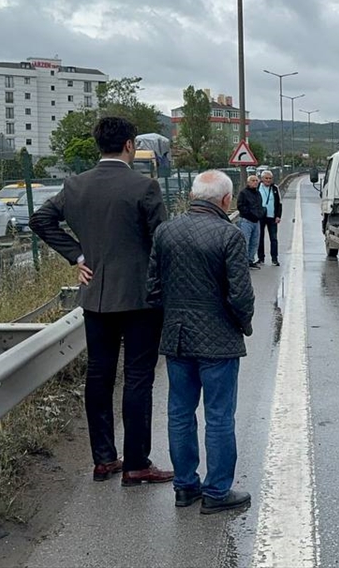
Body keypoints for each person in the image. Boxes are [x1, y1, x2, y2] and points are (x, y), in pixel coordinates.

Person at [29, 116, 174, 487]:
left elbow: (41, 219)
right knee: (138, 378)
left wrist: (78, 257)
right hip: (141, 298)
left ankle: (104, 459)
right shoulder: (145, 187)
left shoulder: (75, 185)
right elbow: (162, 242)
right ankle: (137, 463)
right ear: (130, 145)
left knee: (99, 375)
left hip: (94, 296)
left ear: (99, 145)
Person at [146, 170, 255, 515]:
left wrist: (173, 316)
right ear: (225, 200)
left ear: (193, 196)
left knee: (180, 414)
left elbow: (153, 289)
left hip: (177, 337)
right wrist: (243, 324)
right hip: (219, 339)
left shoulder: (165, 231)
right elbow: (240, 295)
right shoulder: (229, 235)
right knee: (219, 416)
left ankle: (184, 487)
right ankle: (217, 492)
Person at [256, 170, 284, 266]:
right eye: (266, 178)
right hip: (260, 216)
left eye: (270, 178)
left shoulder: (275, 188)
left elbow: (279, 203)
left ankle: (274, 258)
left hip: (272, 216)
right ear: (262, 179)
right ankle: (261, 258)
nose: (268, 180)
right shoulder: (257, 187)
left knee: (274, 238)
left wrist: (278, 216)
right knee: (260, 238)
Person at [236, 175, 263, 269]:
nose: (255, 182)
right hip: (246, 221)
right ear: (248, 182)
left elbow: (259, 205)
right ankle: (243, 262)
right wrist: (249, 214)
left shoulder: (258, 193)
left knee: (255, 242)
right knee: (245, 242)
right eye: (253, 180)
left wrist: (260, 214)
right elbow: (240, 206)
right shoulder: (243, 193)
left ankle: (250, 260)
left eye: (256, 180)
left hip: (256, 221)